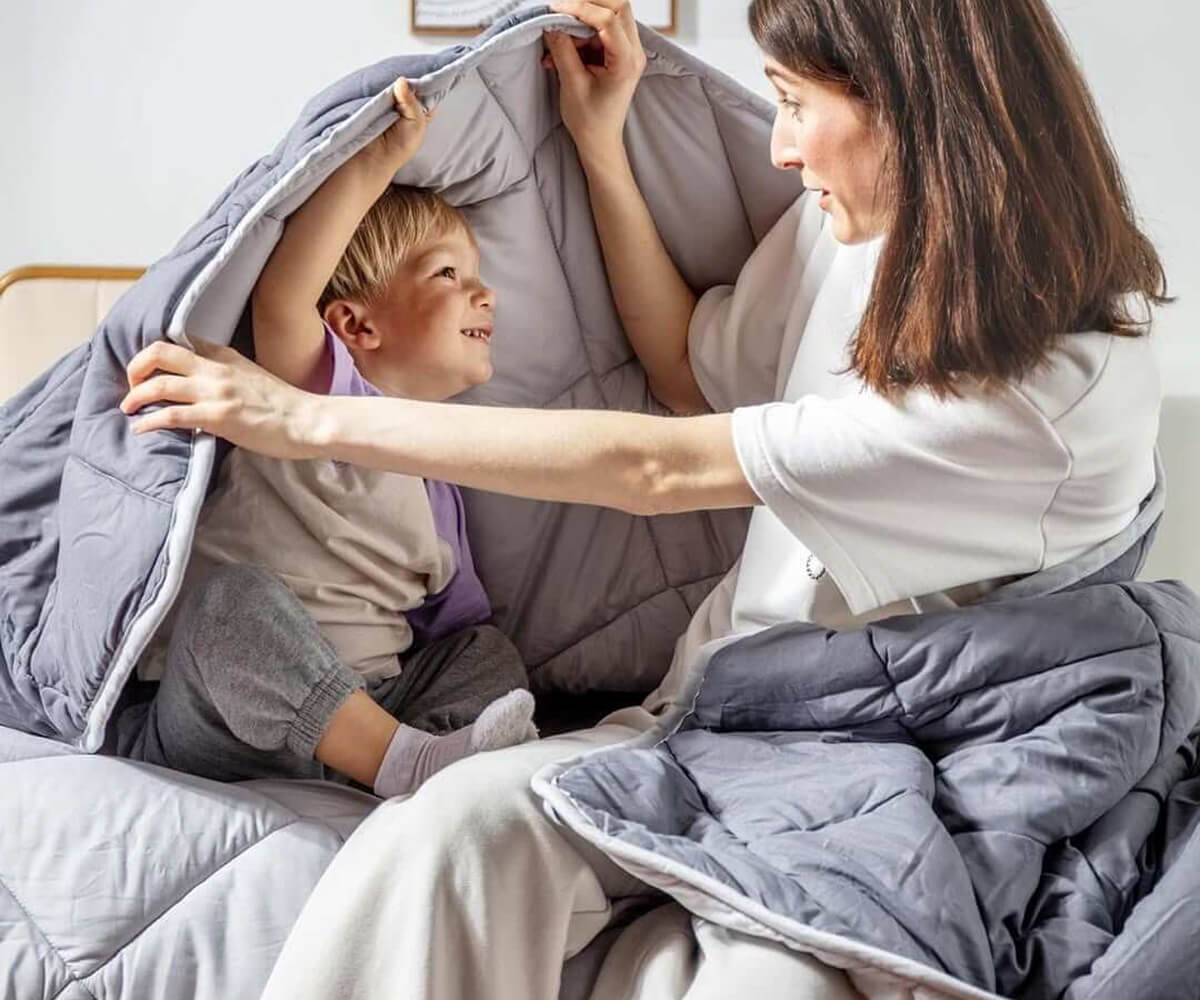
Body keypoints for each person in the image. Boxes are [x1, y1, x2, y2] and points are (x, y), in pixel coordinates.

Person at [119, 0, 1169, 996]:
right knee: (444, 833)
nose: (779, 147)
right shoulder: (853, 230)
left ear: (909, 101)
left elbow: (660, 468)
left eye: (795, 102)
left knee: (777, 975)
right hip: (702, 717)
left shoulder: (1048, 386)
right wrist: (601, 144)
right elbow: (683, 368)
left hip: (861, 742)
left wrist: (297, 417)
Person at [118, 78, 537, 800]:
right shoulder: (318, 390)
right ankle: (412, 769)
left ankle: (422, 761)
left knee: (484, 650)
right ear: (355, 325)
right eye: (449, 274)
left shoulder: (442, 468)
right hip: (225, 722)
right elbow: (285, 296)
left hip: (371, 707)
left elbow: (452, 623)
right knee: (230, 604)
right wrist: (378, 159)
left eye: (477, 276)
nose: (485, 293)